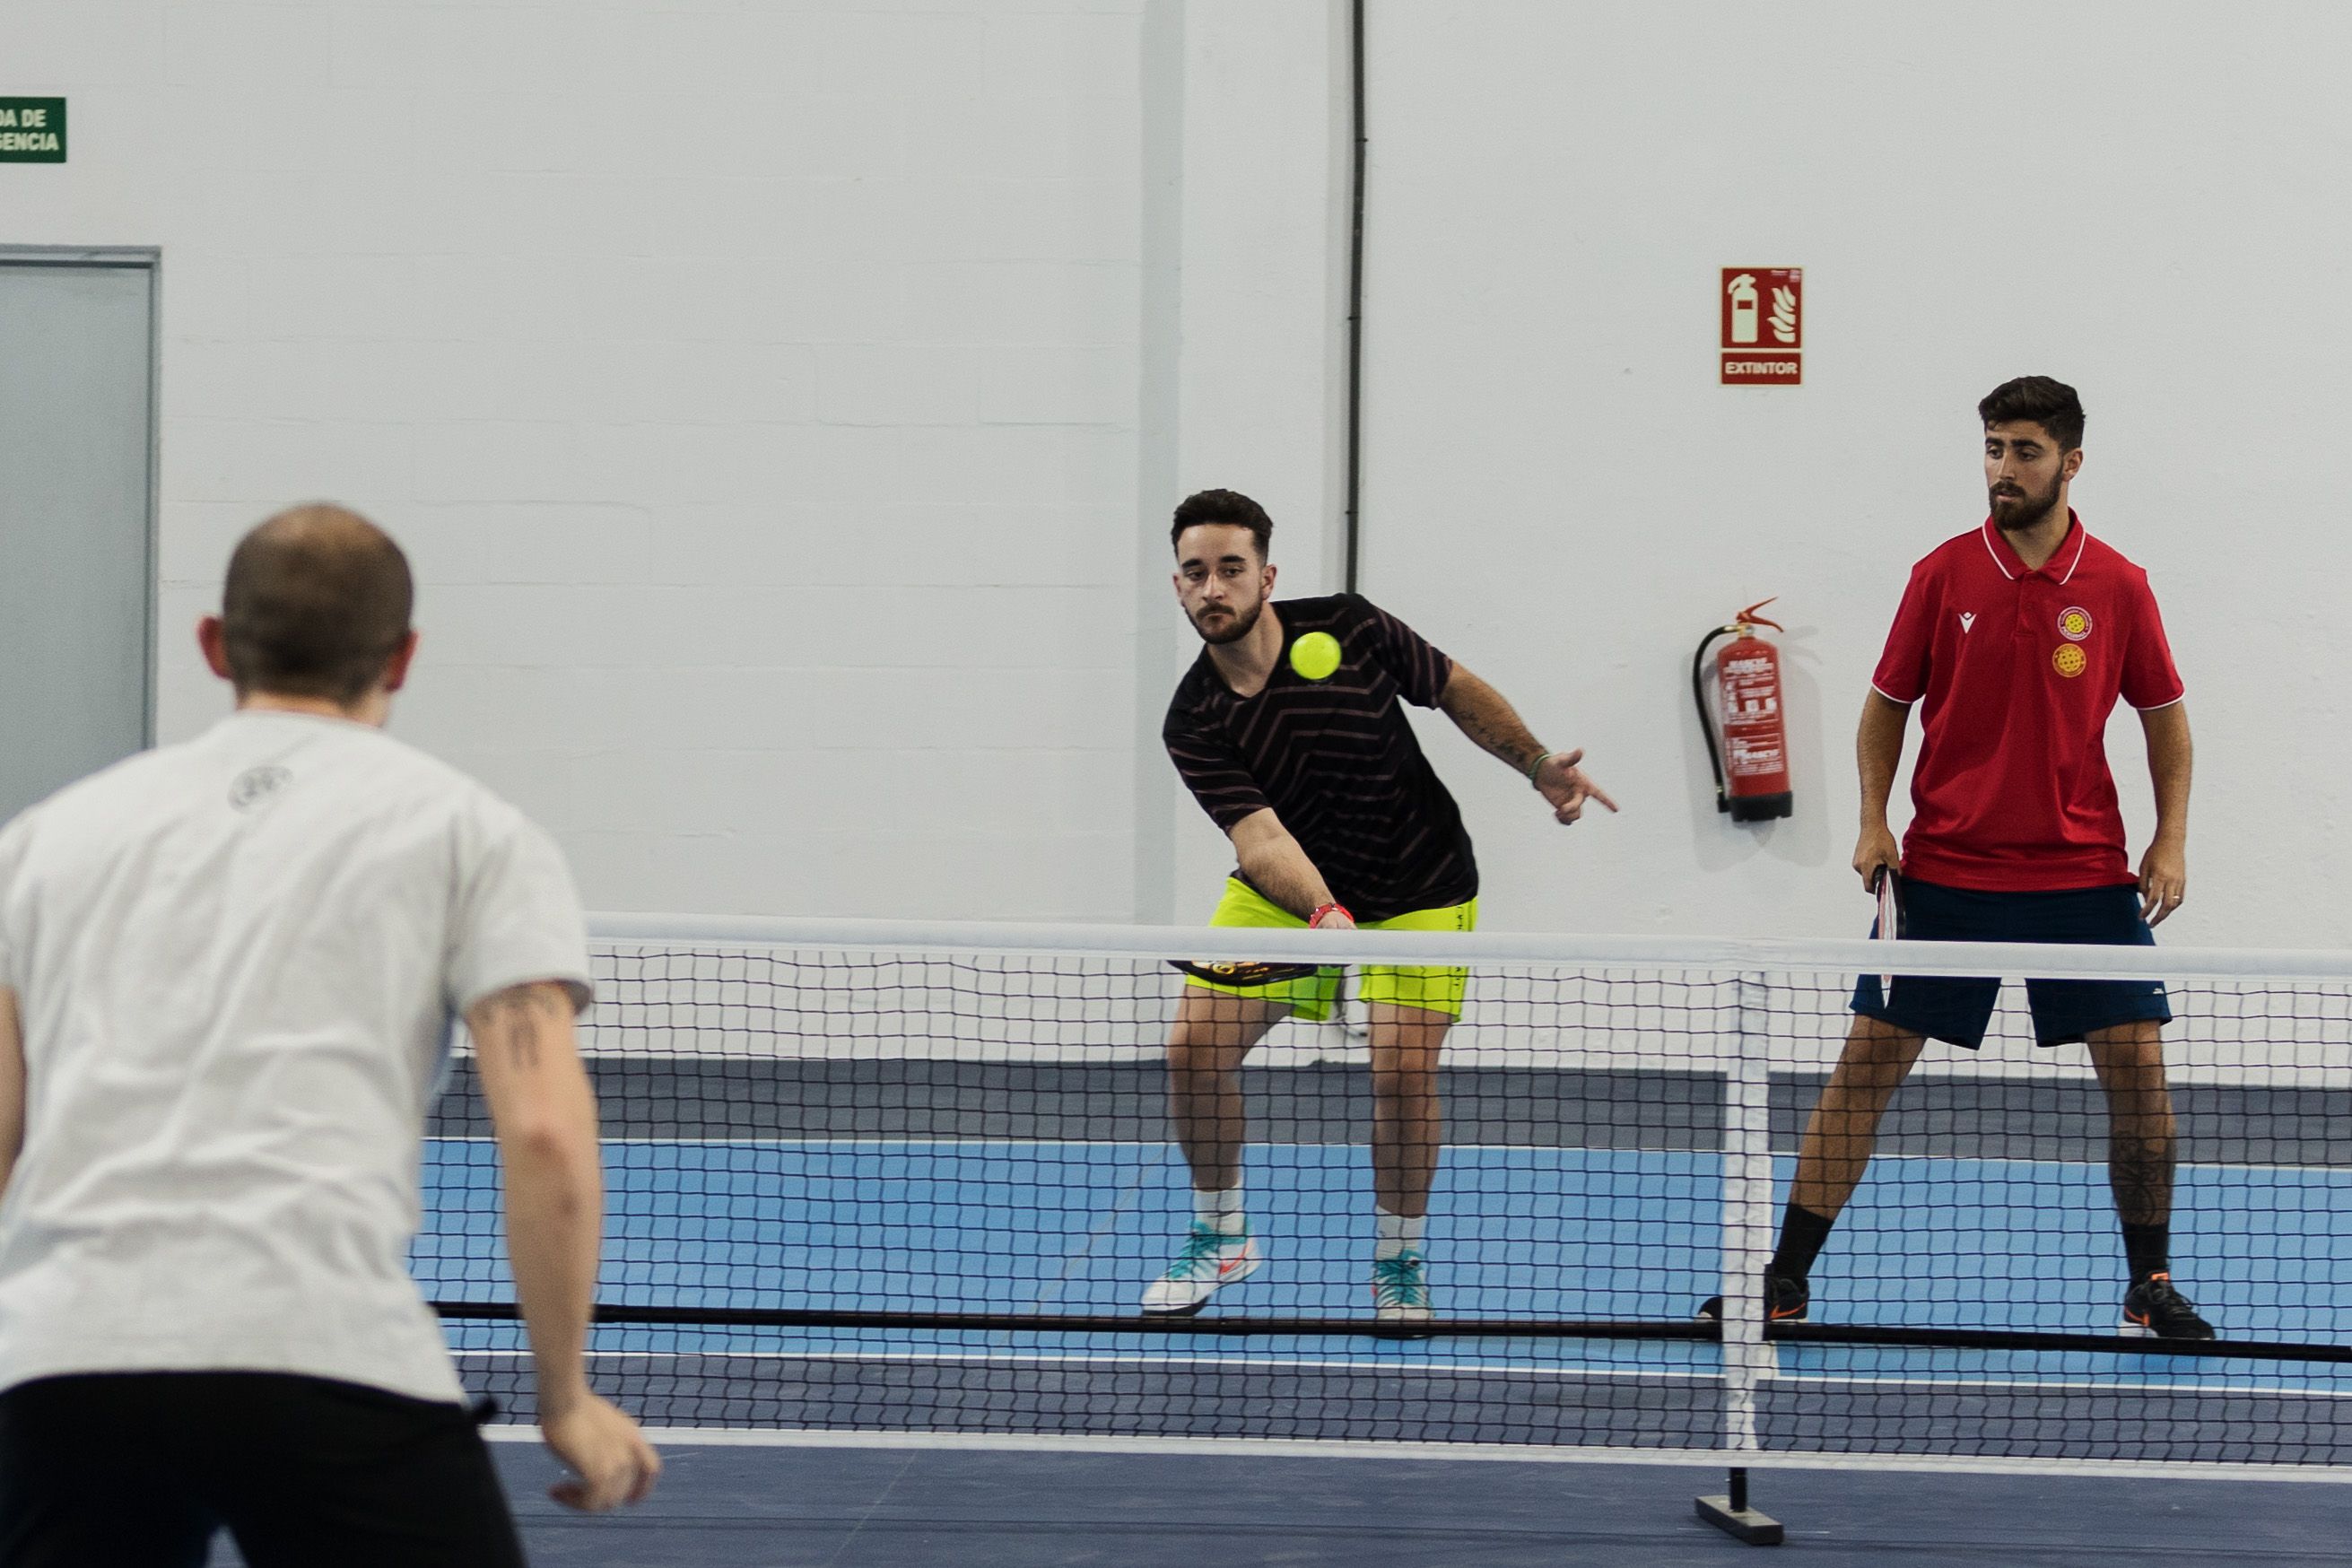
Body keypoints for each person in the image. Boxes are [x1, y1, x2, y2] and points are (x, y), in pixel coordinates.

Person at [0, 505, 661, 1565]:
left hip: (67, 1365)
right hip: (324, 1352)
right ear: (402, 657)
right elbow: (543, 1132)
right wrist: (564, 1392)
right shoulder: (472, 832)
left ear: (214, 644)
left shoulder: (41, 841)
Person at [1700, 377, 2210, 1339]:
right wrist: (1872, 820)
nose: (2003, 468)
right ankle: (1786, 1276)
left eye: (2023, 450)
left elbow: (2166, 724)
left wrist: (2169, 839)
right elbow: (1886, 705)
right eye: (1992, 448)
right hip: (1945, 870)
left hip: (2084, 873)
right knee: (1864, 1068)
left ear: (2070, 461)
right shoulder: (1941, 574)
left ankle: (2150, 1280)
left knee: (2140, 1074)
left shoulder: (2119, 584)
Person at [1146, 488, 1616, 1322]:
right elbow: (1260, 840)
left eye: (1230, 568)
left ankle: (1398, 1259)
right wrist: (1325, 915)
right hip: (1291, 895)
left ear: (1266, 575)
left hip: (1420, 881)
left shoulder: (1350, 627)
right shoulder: (1194, 718)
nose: (1213, 587)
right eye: (1196, 573)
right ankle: (1223, 1236)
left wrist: (1537, 762)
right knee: (1192, 1048)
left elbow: (1455, 688)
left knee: (1401, 1072)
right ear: (1177, 587)